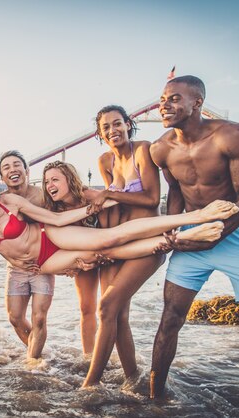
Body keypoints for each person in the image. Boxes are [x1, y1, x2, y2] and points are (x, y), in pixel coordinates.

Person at [149, 75, 239, 411]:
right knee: (170, 319)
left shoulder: (232, 136)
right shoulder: (161, 148)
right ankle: (155, 400)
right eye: (163, 99)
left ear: (198, 103)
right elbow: (176, 193)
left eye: (175, 98)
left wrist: (215, 235)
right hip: (193, 235)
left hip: (236, 234)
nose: (165, 105)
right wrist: (175, 232)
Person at [0, 166, 237, 276]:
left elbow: (55, 217)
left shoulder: (9, 202)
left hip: (49, 236)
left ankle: (197, 216)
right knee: (105, 253)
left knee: (109, 238)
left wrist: (97, 206)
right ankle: (178, 239)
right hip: (41, 264)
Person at [81, 105, 163, 387]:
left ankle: (91, 384)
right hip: (116, 242)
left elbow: (152, 199)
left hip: (146, 243)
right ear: (100, 134)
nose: (113, 130)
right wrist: (99, 246)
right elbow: (111, 206)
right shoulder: (104, 161)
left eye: (117, 124)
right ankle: (133, 380)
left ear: (128, 124)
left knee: (106, 307)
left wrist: (106, 193)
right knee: (119, 315)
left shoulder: (143, 150)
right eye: (106, 127)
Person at [42, 161, 112, 356]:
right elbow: (58, 245)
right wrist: (74, 264)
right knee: (86, 308)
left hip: (110, 255)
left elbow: (113, 228)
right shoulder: (56, 211)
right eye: (47, 182)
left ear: (69, 179)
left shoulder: (90, 197)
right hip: (85, 261)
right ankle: (89, 357)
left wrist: (100, 257)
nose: (50, 186)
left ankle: (107, 355)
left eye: (55, 179)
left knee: (109, 307)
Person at [0, 150, 55, 359]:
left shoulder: (42, 196)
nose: (12, 169)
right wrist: (14, 260)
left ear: (26, 170)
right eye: (6, 167)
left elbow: (60, 224)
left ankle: (33, 362)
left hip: (43, 265)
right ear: (2, 178)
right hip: (16, 268)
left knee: (39, 318)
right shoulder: (1, 202)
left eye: (16, 164)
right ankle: (40, 354)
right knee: (15, 318)